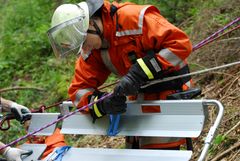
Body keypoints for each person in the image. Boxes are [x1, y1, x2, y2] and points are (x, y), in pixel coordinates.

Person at [48, 0, 193, 150]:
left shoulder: (133, 19)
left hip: (171, 90)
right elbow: (78, 90)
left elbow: (180, 44)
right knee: (135, 151)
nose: (85, 48)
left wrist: (139, 72)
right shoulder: (94, 47)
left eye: (84, 42)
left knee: (158, 150)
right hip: (139, 98)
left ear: (91, 24)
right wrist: (102, 104)